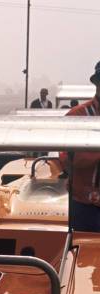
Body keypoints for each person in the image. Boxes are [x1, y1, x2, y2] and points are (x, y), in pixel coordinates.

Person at [59, 61, 100, 231]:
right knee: (83, 253)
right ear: (97, 83)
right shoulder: (78, 115)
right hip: (84, 206)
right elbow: (66, 158)